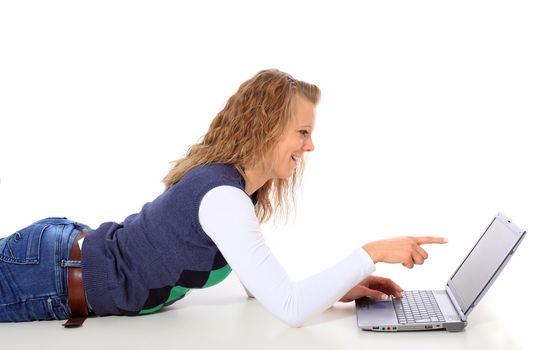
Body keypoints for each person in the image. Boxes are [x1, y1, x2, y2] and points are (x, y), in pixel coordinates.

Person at [0, 69, 447, 327]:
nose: (310, 147)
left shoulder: (234, 192)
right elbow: (289, 308)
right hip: (49, 275)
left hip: (62, 254)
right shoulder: (223, 197)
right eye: (303, 133)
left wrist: (335, 290)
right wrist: (370, 253)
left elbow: (263, 286)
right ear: (269, 129)